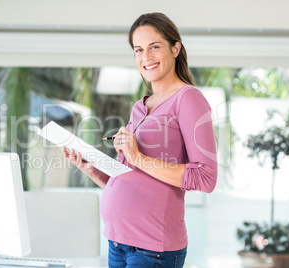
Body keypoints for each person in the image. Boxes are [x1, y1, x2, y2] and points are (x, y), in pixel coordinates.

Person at [62, 12, 217, 268]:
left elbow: (206, 178)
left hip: (152, 248)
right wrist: (91, 169)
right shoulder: (139, 107)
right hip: (116, 243)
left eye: (154, 47)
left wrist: (137, 157)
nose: (146, 57)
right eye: (138, 50)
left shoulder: (188, 99)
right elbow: (132, 179)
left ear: (175, 48)